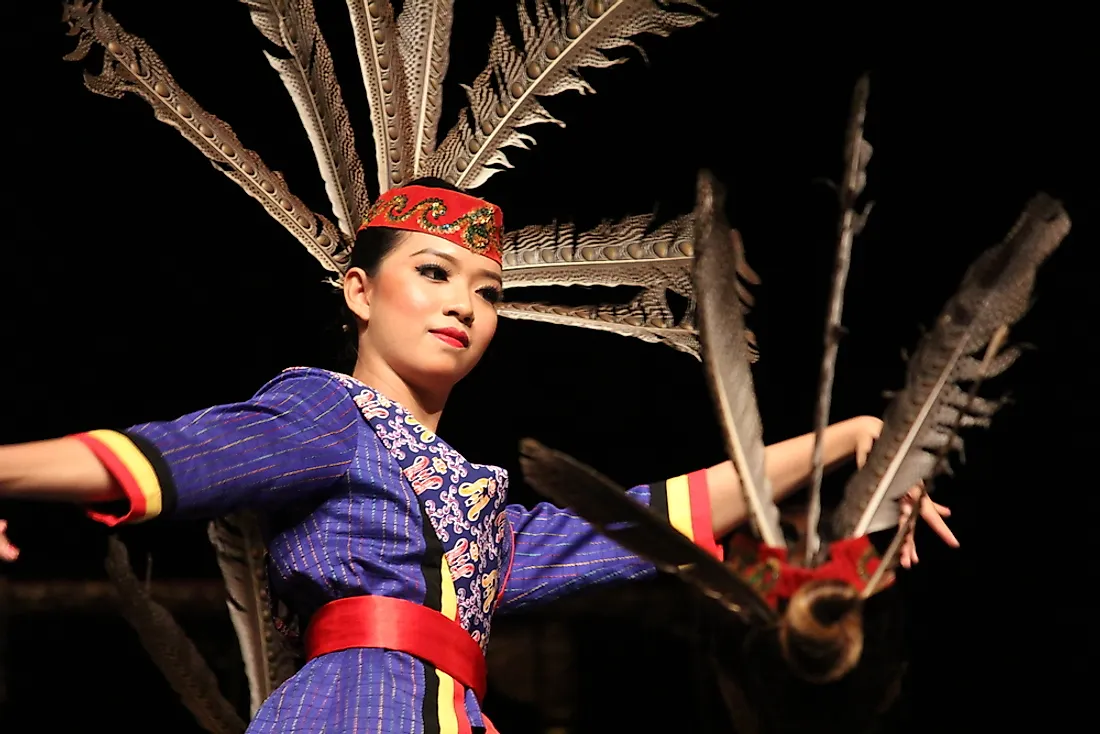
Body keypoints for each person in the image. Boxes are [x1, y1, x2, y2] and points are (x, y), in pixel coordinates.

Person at [0, 179, 957, 733]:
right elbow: (173, 458)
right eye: (432, 272)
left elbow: (638, 520)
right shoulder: (329, 414)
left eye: (486, 290)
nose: (464, 303)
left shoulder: (475, 506)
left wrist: (846, 444)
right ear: (358, 292)